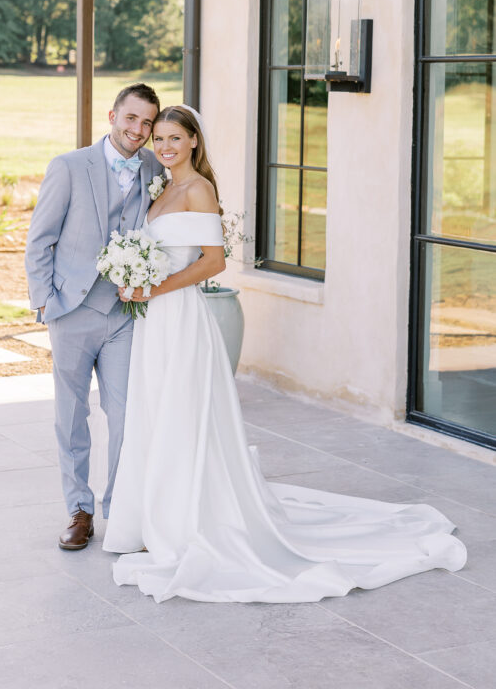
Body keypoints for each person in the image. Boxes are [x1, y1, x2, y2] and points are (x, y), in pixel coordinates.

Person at [102, 105, 467, 603]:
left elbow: (214, 261)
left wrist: (154, 287)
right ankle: (147, 519)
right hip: (154, 323)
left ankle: (184, 521)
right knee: (156, 411)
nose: (163, 146)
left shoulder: (198, 190)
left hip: (179, 318)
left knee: (181, 415)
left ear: (193, 142)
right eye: (158, 138)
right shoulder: (160, 187)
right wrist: (133, 278)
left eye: (173, 138)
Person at [25, 83, 164, 551]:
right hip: (72, 310)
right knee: (71, 414)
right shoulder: (68, 166)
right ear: (112, 116)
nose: (139, 131)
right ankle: (79, 509)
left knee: (125, 413)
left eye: (147, 122)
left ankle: (120, 507)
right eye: (132, 119)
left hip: (125, 314)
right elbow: (39, 239)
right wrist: (44, 300)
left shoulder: (154, 168)